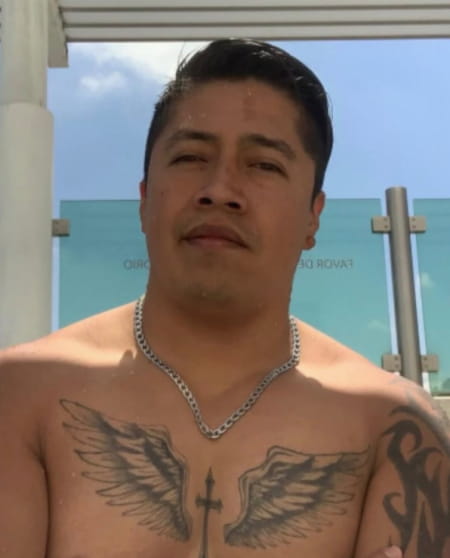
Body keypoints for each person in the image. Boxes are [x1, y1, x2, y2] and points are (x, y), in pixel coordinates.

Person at [0, 39, 448, 558]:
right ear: (144, 200)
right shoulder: (21, 395)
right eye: (190, 157)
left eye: (264, 165)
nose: (219, 189)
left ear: (313, 216)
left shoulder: (393, 427)